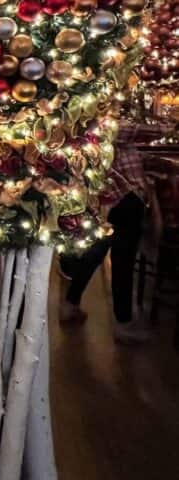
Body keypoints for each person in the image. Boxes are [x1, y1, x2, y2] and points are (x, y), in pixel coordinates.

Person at [59, 121, 152, 344]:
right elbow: (139, 130)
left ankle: (70, 304)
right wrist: (171, 124)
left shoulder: (89, 126)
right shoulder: (107, 125)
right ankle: (123, 323)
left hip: (110, 200)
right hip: (126, 199)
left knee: (97, 253)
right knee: (123, 261)